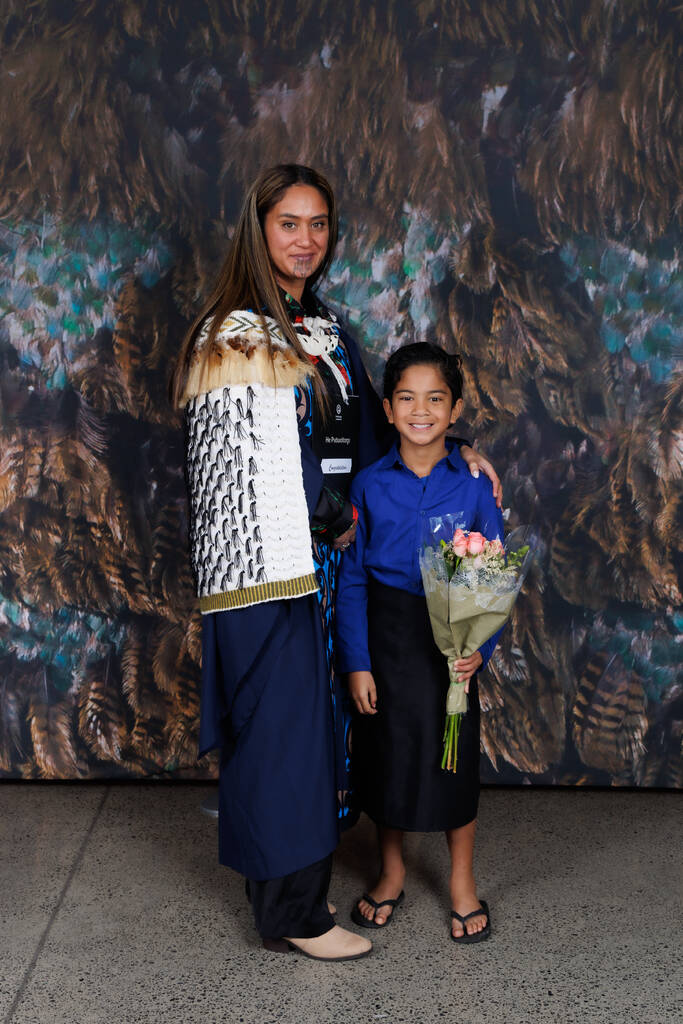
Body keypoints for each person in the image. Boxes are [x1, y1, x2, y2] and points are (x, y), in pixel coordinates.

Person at [171, 165, 501, 961]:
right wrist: (332, 517)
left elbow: (378, 433)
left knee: (320, 729)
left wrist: (453, 447)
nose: (305, 240)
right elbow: (242, 467)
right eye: (288, 223)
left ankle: (297, 887)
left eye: (318, 224)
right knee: (280, 727)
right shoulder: (232, 333)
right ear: (258, 229)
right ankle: (292, 914)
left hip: (331, 566)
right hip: (270, 567)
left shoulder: (321, 328)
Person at [335, 342, 504, 944]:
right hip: (388, 637)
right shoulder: (369, 485)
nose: (421, 411)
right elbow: (352, 579)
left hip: (452, 639)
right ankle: (391, 871)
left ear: (454, 410)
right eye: (407, 398)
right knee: (390, 755)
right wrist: (357, 662)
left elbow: (494, 573)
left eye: (436, 399)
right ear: (387, 409)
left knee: (453, 759)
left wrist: (481, 649)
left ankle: (461, 881)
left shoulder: (474, 485)